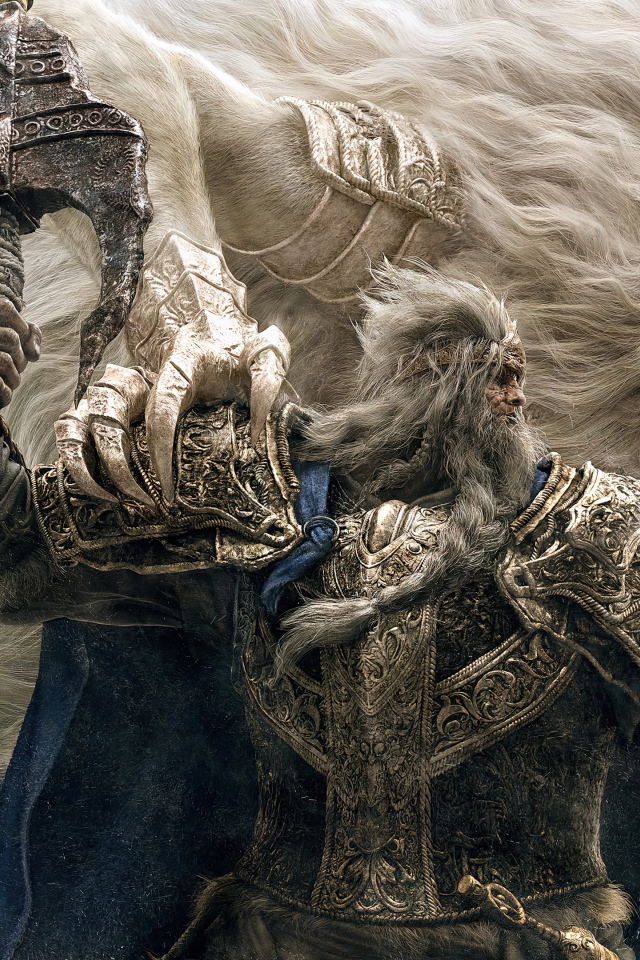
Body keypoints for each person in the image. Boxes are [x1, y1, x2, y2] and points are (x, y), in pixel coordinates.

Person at [0, 264, 638, 960]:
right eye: (491, 378)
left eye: (517, 376)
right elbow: (14, 555)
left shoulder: (598, 530)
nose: (515, 400)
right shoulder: (252, 493)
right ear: (419, 384)